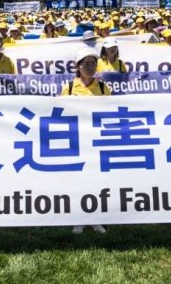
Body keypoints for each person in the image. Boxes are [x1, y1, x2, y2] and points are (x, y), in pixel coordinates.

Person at [61, 47, 109, 234]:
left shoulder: (104, 88)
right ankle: (79, 219)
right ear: (78, 66)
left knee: (96, 181)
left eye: (93, 63)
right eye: (86, 63)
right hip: (77, 140)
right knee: (78, 181)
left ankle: (95, 219)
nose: (90, 67)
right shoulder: (70, 88)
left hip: (97, 141)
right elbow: (62, 113)